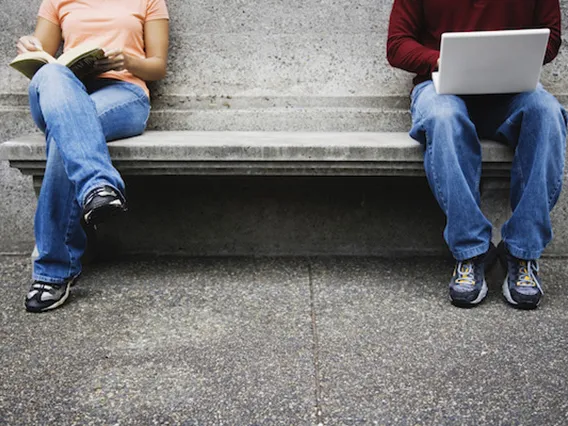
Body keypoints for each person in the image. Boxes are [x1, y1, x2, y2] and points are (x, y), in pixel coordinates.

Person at [387, 0, 567, 309]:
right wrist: (444, 61)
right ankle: (472, 251)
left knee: (548, 112)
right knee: (444, 119)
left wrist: (506, 62)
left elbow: (550, 39)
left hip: (511, 91)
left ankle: (522, 252)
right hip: (442, 87)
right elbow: (397, 45)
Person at [17, 0, 169, 312]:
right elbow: (40, 58)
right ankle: (97, 187)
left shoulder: (150, 1)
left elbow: (157, 65)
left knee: (67, 136)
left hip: (123, 94)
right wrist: (30, 48)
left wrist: (127, 60)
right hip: (63, 91)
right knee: (53, 75)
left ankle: (52, 272)